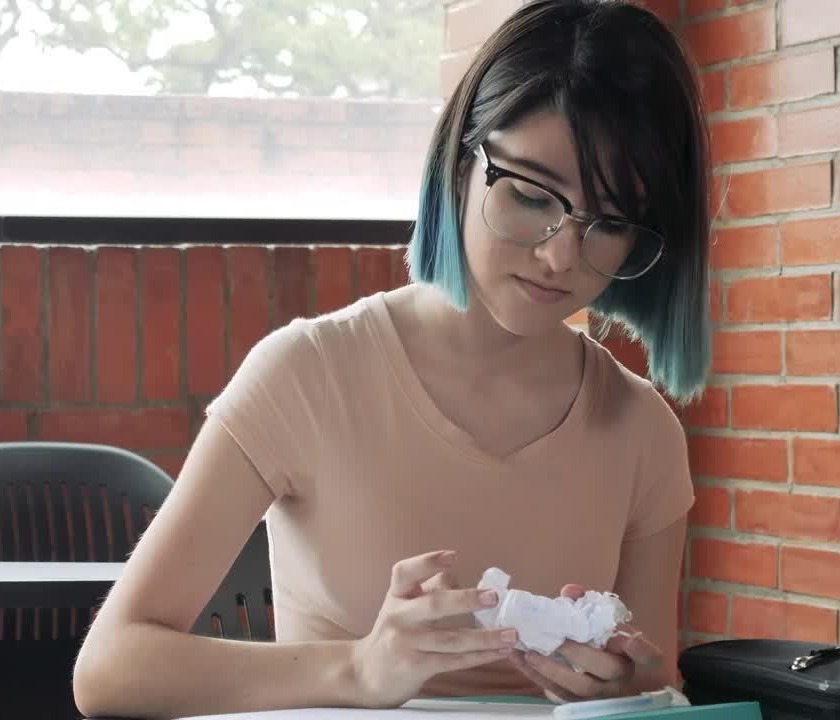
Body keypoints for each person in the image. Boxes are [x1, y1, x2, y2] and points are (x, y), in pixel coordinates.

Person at [73, 0, 711, 717]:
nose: (561, 255)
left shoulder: (642, 431)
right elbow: (110, 668)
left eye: (612, 221)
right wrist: (357, 671)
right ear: (460, 165)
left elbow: (662, 691)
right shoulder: (308, 374)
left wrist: (634, 691)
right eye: (531, 196)